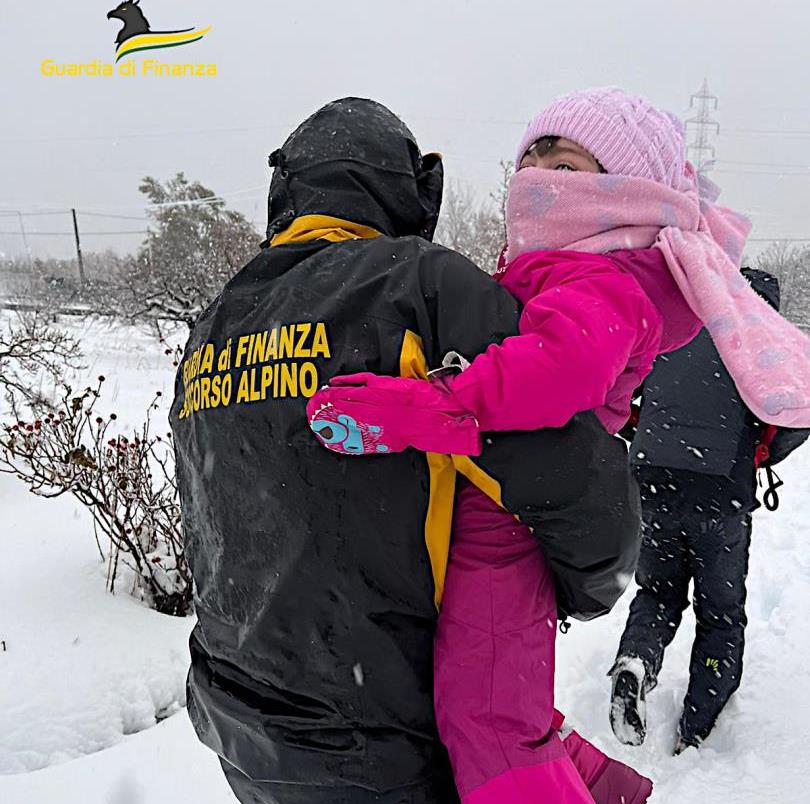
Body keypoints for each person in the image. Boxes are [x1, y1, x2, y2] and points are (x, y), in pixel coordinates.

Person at [308, 88, 810, 803]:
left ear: (621, 187)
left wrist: (424, 407)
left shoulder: (604, 277)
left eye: (566, 160)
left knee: (488, 723)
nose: (540, 171)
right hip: (517, 504)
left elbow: (558, 372)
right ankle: (615, 789)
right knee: (500, 697)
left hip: (502, 527)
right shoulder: (572, 266)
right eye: (533, 154)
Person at [170, 97, 643, 804]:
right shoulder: (422, 284)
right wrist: (583, 586)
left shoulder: (216, 322)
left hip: (239, 721)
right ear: (415, 192)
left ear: (286, 188)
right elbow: (583, 489)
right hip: (382, 735)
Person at [611, 268, 810, 754]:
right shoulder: (757, 346)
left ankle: (637, 660)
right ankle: (697, 726)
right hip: (719, 491)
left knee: (658, 593)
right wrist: (762, 451)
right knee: (720, 614)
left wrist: (643, 441)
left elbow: (624, 394)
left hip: (654, 481)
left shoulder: (674, 325)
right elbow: (797, 411)